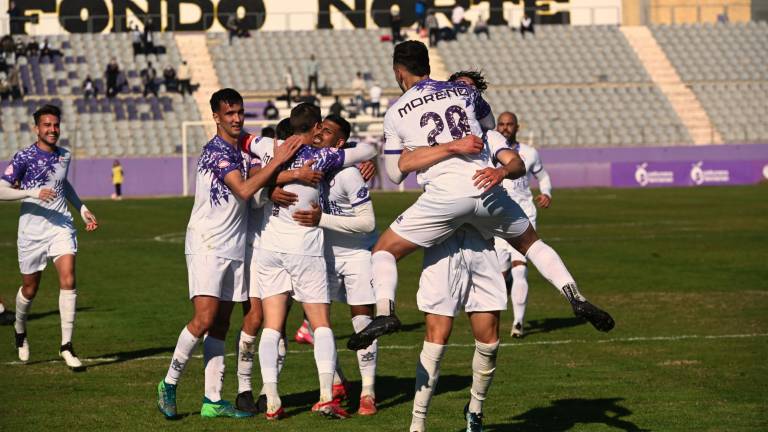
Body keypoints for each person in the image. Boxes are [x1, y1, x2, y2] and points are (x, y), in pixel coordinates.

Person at [349, 41, 614, 355]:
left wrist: (434, 150)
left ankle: (385, 313)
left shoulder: (395, 112)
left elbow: (394, 173)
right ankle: (576, 297)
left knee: (384, 251)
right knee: (531, 243)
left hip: (445, 196)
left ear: (398, 72)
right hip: (487, 189)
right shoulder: (468, 94)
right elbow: (487, 131)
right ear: (430, 67)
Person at [156, 88, 303, 420]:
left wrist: (280, 176)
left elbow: (258, 181)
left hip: (234, 245)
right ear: (216, 117)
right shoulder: (216, 151)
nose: (236, 118)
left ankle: (212, 400)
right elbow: (245, 189)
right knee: (205, 318)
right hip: (208, 243)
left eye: (240, 112)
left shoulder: (240, 151)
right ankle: (169, 382)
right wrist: (279, 164)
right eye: (230, 113)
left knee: (221, 323)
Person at [240, 103, 377, 420]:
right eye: (321, 128)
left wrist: (277, 173)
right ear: (315, 127)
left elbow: (245, 141)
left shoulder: (270, 146)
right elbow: (369, 148)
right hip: (304, 246)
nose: (322, 133)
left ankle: (271, 398)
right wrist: (364, 157)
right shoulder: (323, 156)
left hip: (271, 247)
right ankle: (327, 396)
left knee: (272, 326)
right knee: (321, 323)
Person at [1, 104, 99, 371]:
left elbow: (63, 184)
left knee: (68, 278)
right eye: (47, 125)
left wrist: (82, 209)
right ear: (37, 128)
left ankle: (66, 346)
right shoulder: (23, 157)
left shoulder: (64, 156)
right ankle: (20, 329)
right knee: (30, 289)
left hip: (60, 226)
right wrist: (32, 192)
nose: (52, 129)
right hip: (31, 232)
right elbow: (1, 190)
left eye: (55, 125)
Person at [493, 111, 552, 337]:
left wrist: (546, 193)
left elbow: (543, 176)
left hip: (524, 215)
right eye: (502, 124)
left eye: (510, 124)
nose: (506, 128)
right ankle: (502, 293)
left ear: (517, 127)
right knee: (500, 272)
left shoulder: (529, 153)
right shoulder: (491, 152)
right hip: (497, 217)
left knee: (520, 269)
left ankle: (518, 323)